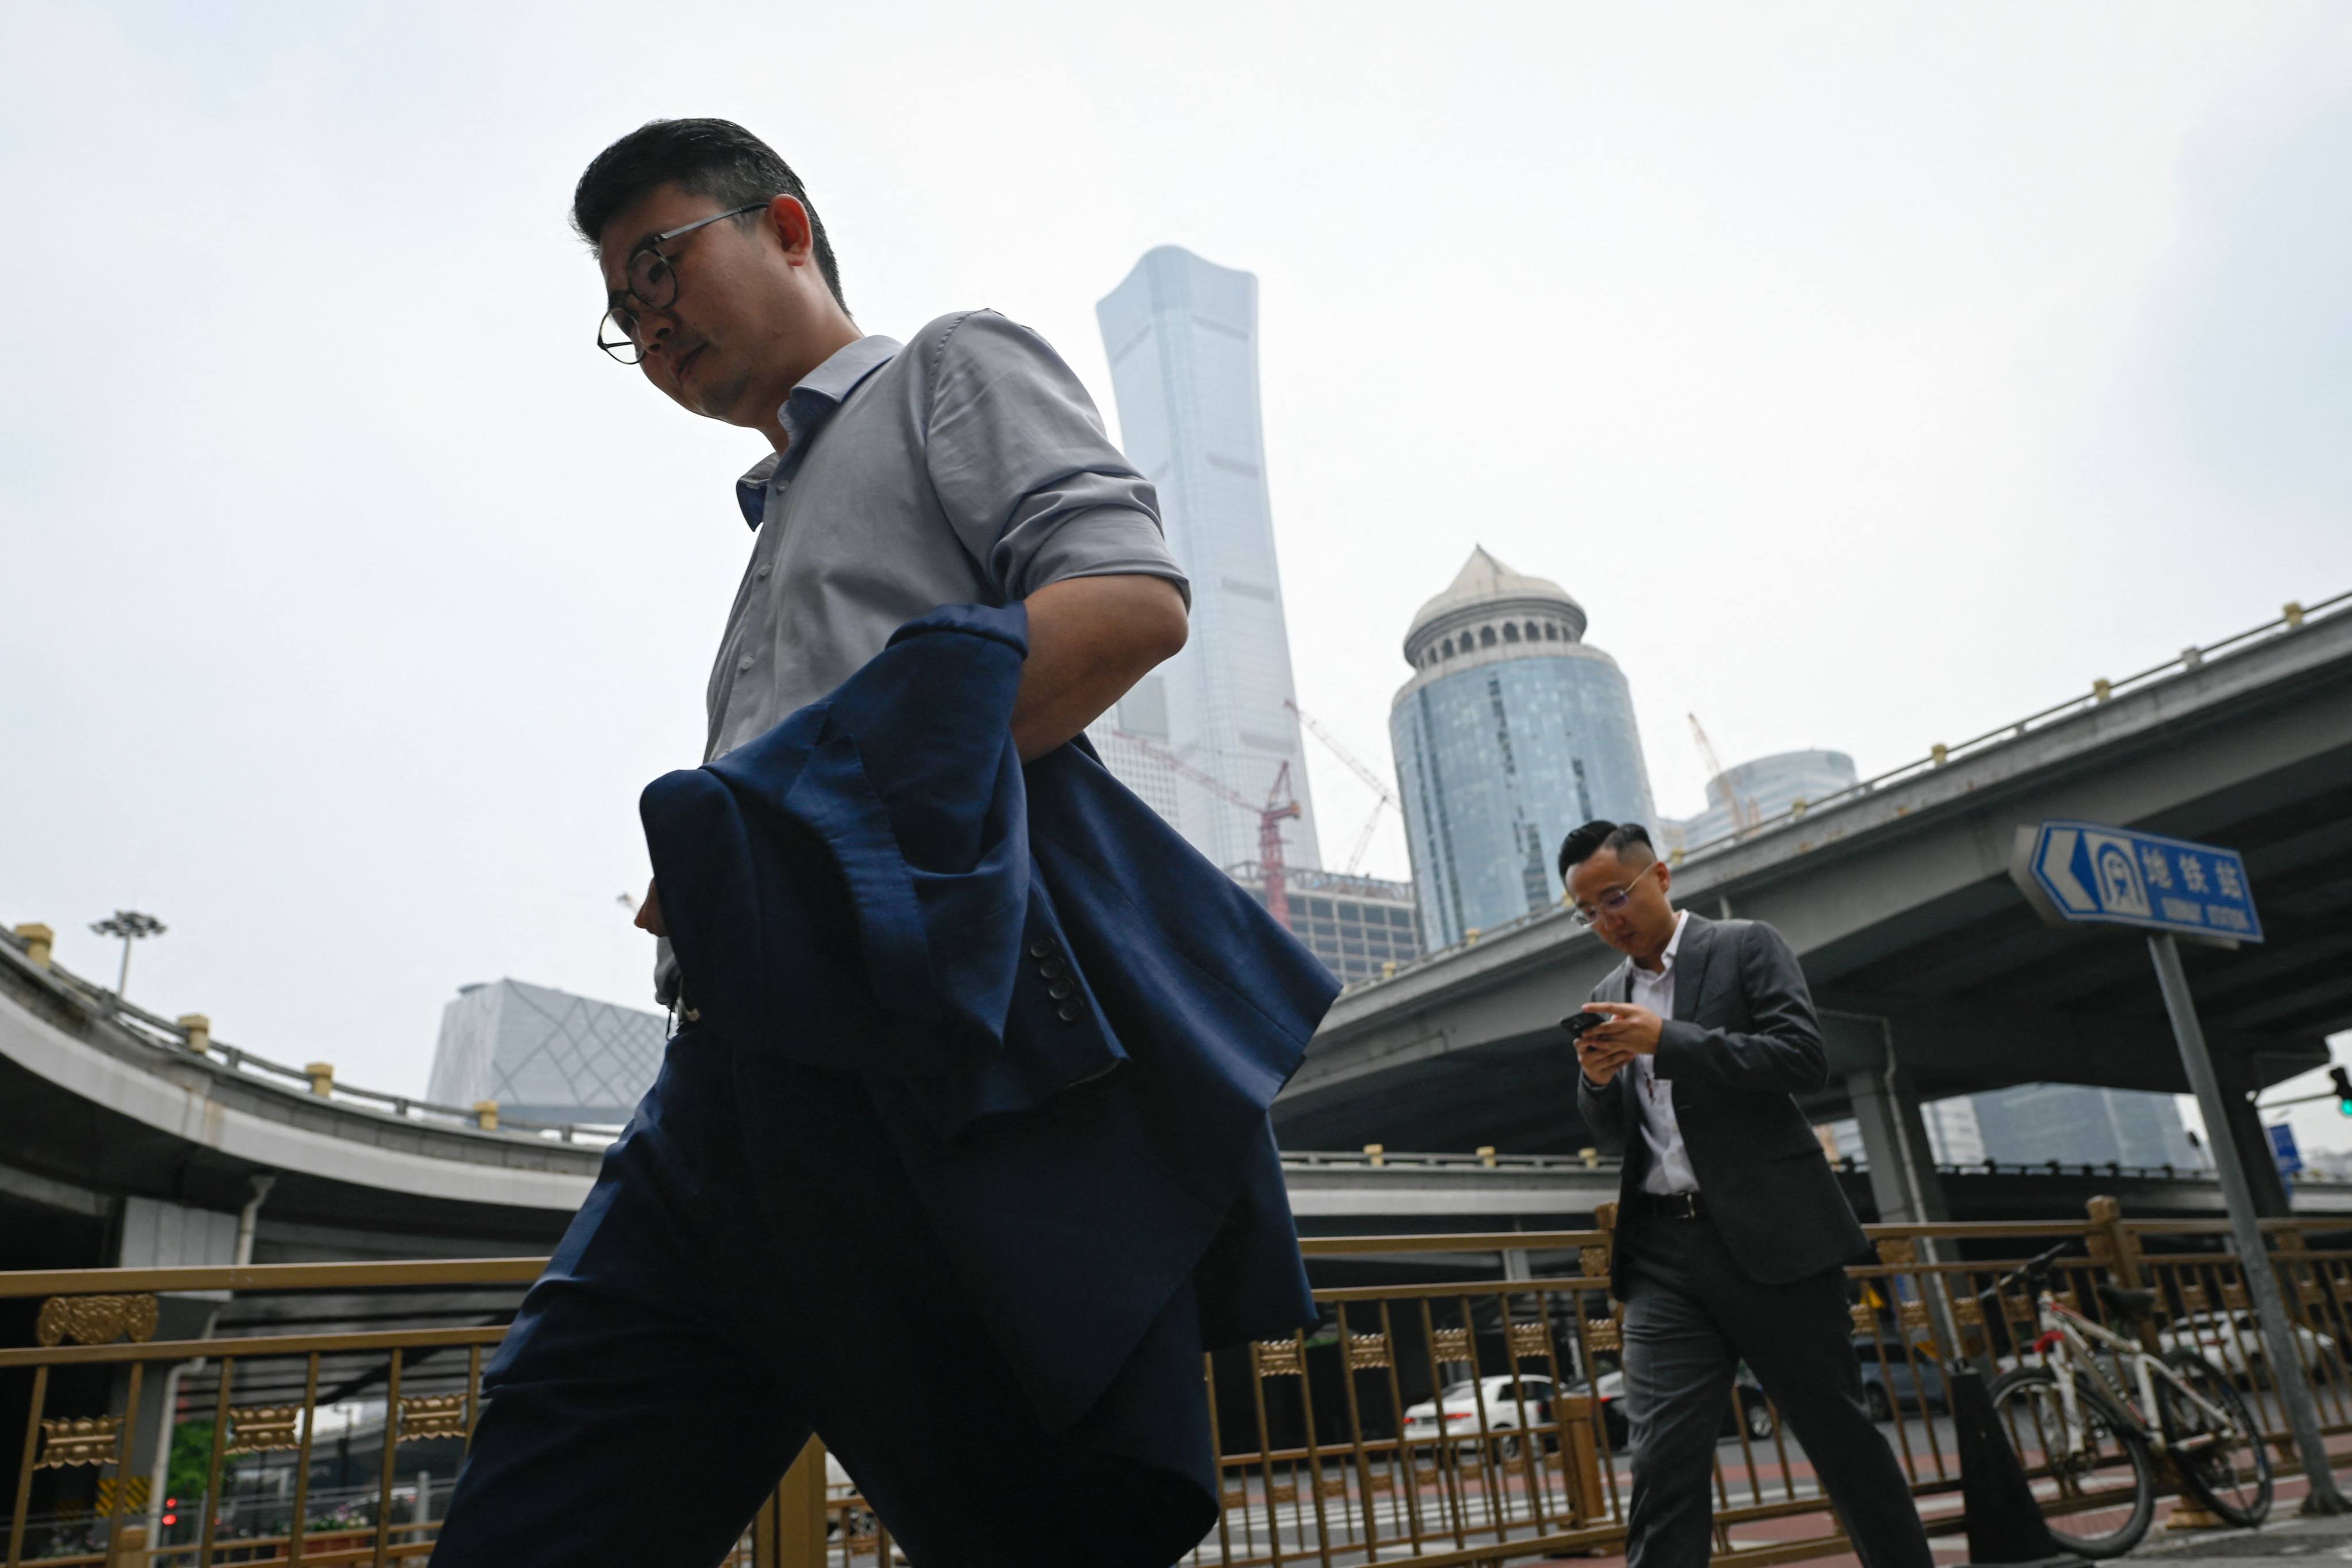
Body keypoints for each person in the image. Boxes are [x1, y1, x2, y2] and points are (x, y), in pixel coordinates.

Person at [428, 119, 1338, 1568]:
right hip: (720, 1084)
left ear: (785, 226)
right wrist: (748, 849)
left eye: (659, 264)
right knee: (543, 1489)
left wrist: (783, 817)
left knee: (1036, 1529)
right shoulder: (768, 530)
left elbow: (1123, 596)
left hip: (915, 1068)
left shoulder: (946, 368)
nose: (646, 319)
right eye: (621, 309)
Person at [1562, 819, 1932, 1568]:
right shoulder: (1607, 993)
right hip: (1663, 1253)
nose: (1607, 922)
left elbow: (1803, 1059)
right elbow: (1611, 1130)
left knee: (1840, 1441)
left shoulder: (1744, 946)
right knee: (1661, 1463)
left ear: (1660, 877)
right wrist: (1597, 1078)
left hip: (1776, 1241)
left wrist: (1668, 1040)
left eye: (1615, 898)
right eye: (1589, 912)